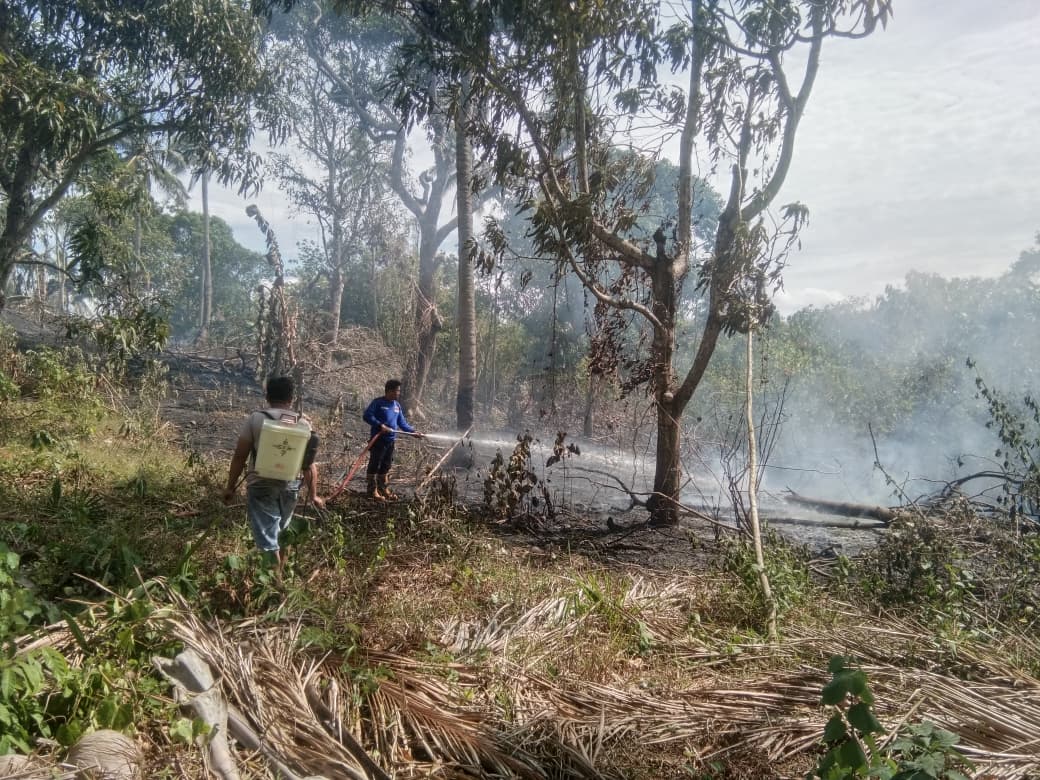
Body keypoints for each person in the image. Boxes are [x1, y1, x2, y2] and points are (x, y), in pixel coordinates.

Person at [222, 376, 324, 578]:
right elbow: (309, 465)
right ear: (291, 398)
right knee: (282, 533)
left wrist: (230, 487)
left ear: (267, 396)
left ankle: (275, 586)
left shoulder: (256, 419)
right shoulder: (303, 424)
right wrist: (314, 495)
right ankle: (280, 577)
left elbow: (240, 455)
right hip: (290, 485)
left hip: (261, 484)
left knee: (268, 539)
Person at [362, 379, 424, 500]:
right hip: (378, 440)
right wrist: (380, 425)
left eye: (399, 391)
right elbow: (367, 416)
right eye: (397, 391)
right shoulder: (378, 402)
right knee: (375, 464)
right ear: (389, 391)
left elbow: (402, 423)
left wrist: (413, 432)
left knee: (386, 465)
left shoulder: (397, 406)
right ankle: (372, 490)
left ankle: (383, 489)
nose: (398, 393)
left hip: (390, 441)